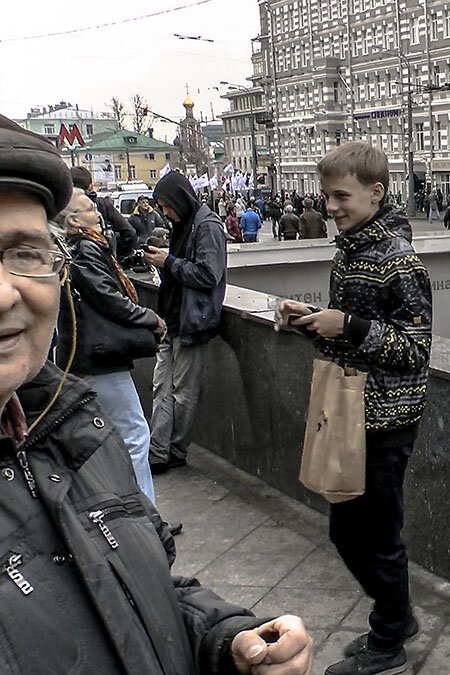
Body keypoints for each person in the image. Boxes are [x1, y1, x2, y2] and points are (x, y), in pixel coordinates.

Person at [0, 113, 315, 675]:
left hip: (185, 326)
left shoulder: (71, 429)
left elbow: (130, 597)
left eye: (24, 253)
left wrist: (223, 641)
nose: (4, 295)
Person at [274, 142, 431, 675]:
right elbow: (352, 326)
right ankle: (397, 614)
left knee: (378, 535)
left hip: (386, 419)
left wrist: (347, 326)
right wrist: (312, 317)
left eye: (340, 196)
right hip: (351, 412)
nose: (331, 205)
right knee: (347, 531)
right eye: (327, 195)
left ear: (375, 192)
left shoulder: (398, 260)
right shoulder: (351, 248)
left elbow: (415, 349)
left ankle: (389, 640)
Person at [55, 187, 165, 501]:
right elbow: (107, 297)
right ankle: (144, 512)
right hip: (100, 358)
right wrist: (149, 318)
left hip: (85, 356)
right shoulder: (85, 249)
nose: (98, 213)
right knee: (134, 432)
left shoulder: (73, 248)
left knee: (107, 435)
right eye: (90, 209)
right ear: (74, 221)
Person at [142, 171, 228, 475]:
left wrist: (168, 262)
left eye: (166, 206)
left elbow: (208, 275)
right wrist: (163, 263)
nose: (165, 213)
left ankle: (174, 450)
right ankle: (158, 451)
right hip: (171, 320)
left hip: (193, 322)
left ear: (180, 199)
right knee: (160, 388)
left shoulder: (207, 226)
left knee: (182, 393)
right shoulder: (181, 226)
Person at [69, 165, 137, 260]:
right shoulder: (102, 204)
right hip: (103, 258)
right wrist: (116, 255)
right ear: (90, 185)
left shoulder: (63, 207)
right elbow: (130, 233)